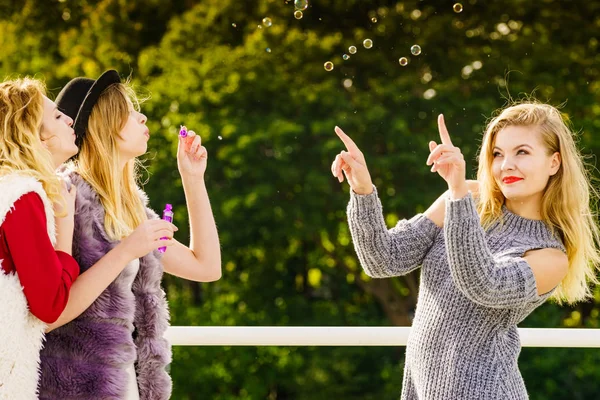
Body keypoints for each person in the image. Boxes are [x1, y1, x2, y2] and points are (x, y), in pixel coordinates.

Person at [331, 103, 600, 399]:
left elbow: (482, 283)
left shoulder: (550, 256)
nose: (506, 165)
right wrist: (363, 189)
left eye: (522, 152)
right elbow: (384, 260)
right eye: (498, 154)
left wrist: (458, 194)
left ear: (554, 162)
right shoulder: (467, 198)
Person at [39, 70, 222, 400]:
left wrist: (192, 178)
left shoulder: (130, 213)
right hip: (73, 390)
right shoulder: (64, 199)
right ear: (105, 124)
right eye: (129, 110)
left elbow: (206, 267)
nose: (143, 116)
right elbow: (50, 313)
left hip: (127, 389)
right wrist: (124, 252)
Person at [0, 77, 79, 398]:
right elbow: (49, 305)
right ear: (39, 139)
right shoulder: (22, 195)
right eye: (58, 117)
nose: (70, 119)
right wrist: (67, 221)